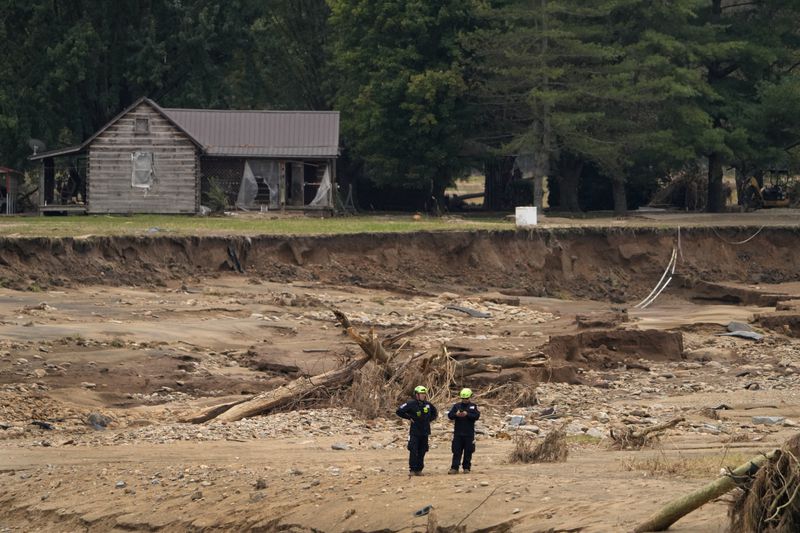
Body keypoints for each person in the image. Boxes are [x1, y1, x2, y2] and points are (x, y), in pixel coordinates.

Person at [396, 385, 438, 476]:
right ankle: (412, 469)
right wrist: (409, 417)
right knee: (413, 450)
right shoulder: (411, 403)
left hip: (425, 432)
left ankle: (419, 469)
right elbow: (399, 411)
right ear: (417, 395)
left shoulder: (428, 404)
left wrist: (428, 420)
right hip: (415, 432)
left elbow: (435, 413)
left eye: (424, 394)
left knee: (423, 450)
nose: (423, 395)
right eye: (421, 393)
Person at [447, 388, 480, 474]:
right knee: (456, 451)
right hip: (458, 433)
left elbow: (476, 416)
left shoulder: (473, 406)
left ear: (470, 397)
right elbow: (450, 415)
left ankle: (466, 468)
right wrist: (456, 414)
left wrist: (467, 414)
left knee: (468, 451)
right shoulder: (457, 406)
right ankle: (454, 468)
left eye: (466, 398)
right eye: (463, 398)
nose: (465, 400)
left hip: (469, 433)